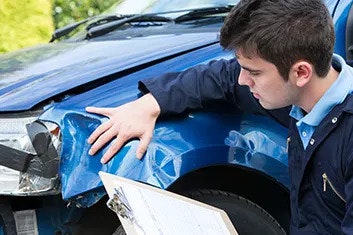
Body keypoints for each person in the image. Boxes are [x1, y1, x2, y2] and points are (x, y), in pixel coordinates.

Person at [86, 0, 353, 233]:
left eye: (254, 73)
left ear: (301, 73)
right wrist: (150, 104)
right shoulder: (298, 93)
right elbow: (221, 78)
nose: (242, 79)